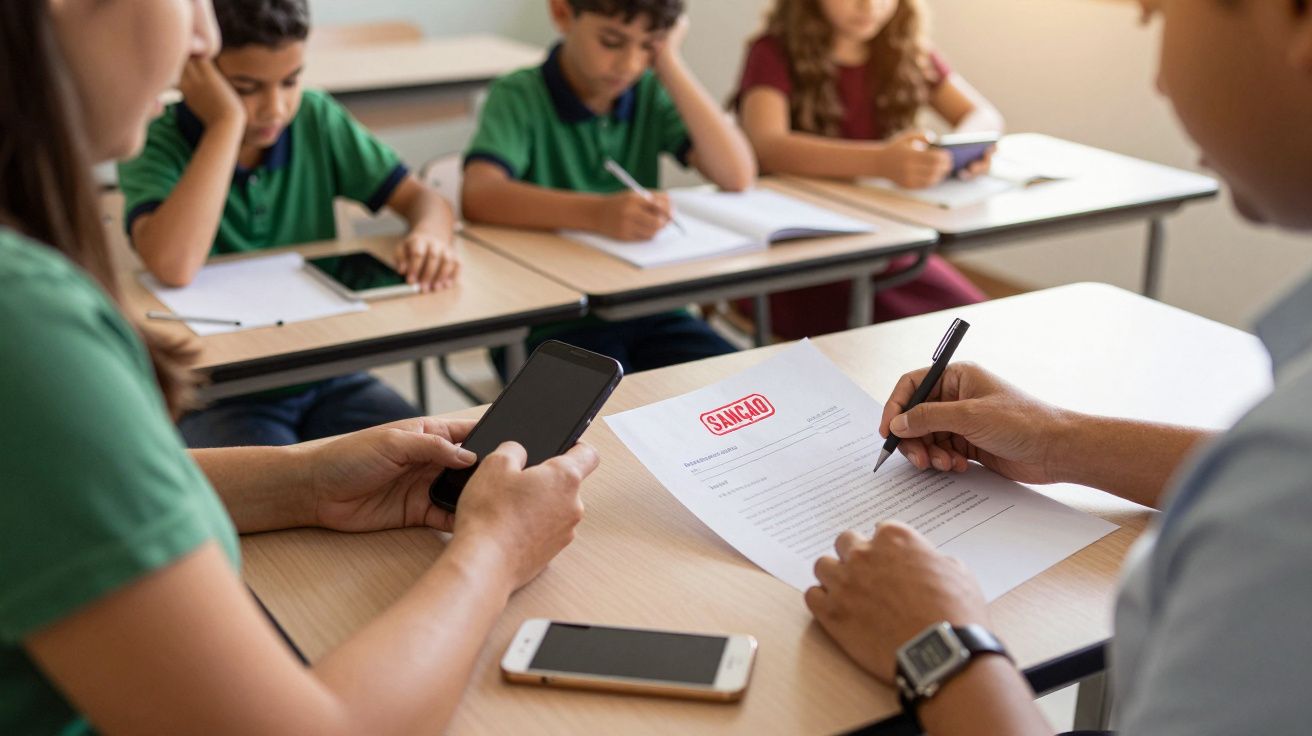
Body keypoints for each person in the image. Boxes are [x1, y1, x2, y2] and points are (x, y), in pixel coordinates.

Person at [0, 2, 597, 732]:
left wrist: (306, 481)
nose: (202, 37)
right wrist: (495, 552)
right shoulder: (24, 321)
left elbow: (60, 504)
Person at [804, 1, 1312, 733]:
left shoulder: (1286, 496)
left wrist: (941, 651)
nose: (1163, 81)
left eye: (1156, 11)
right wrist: (1054, 437)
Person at [118, 0, 459, 448]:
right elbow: (174, 265)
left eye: (291, 81)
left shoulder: (315, 117)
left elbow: (423, 199)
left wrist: (429, 234)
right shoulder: (158, 137)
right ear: (194, 70)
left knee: (436, 458)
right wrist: (225, 124)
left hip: (328, 373)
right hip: (220, 391)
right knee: (265, 501)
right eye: (246, 87)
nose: (275, 108)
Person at [461, 0, 757, 375]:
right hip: (552, 323)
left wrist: (669, 62)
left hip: (651, 307)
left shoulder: (649, 90)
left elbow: (737, 174)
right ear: (563, 14)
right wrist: (597, 214)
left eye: (648, 46)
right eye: (612, 42)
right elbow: (479, 194)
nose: (630, 64)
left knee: (742, 385)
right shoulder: (519, 94)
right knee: (603, 422)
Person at [732, 0, 1001, 339]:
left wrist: (955, 151)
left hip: (886, 244)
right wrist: (881, 162)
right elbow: (767, 146)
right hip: (800, 256)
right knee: (911, 342)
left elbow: (984, 116)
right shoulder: (772, 52)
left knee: (980, 327)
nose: (869, 5)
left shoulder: (904, 50)